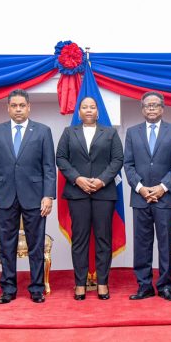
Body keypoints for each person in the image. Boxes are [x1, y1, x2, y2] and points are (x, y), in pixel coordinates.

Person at [0, 89, 56, 304]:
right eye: (14, 105)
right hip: (4, 196)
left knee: (36, 245)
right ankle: (8, 289)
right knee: (6, 246)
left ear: (29, 107)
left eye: (22, 105)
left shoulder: (43, 131)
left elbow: (48, 167)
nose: (18, 109)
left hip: (35, 196)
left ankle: (36, 288)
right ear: (8, 108)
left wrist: (48, 195)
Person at [56, 96, 124, 300]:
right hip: (77, 193)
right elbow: (61, 158)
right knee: (80, 239)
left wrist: (102, 180)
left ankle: (102, 283)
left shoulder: (110, 133)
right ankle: (80, 283)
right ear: (79, 112)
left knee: (103, 238)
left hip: (104, 193)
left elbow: (118, 159)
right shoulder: (69, 132)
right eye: (84, 107)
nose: (88, 110)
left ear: (97, 111)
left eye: (92, 107)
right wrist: (78, 179)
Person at [124, 91, 171, 301]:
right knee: (142, 243)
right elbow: (128, 165)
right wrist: (141, 188)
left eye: (155, 105)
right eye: (147, 105)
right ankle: (144, 285)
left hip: (165, 198)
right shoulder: (132, 132)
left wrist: (162, 188)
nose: (151, 108)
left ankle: (165, 286)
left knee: (165, 244)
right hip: (140, 197)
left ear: (162, 108)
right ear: (142, 109)